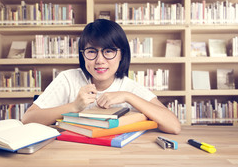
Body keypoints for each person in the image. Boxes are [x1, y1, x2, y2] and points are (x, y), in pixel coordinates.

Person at [22, 19, 181, 134]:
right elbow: (27, 119)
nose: (100, 61)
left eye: (108, 51)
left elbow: (174, 126)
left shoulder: (129, 87)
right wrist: (73, 107)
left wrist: (127, 96)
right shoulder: (68, 79)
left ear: (121, 54)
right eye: (92, 51)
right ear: (83, 56)